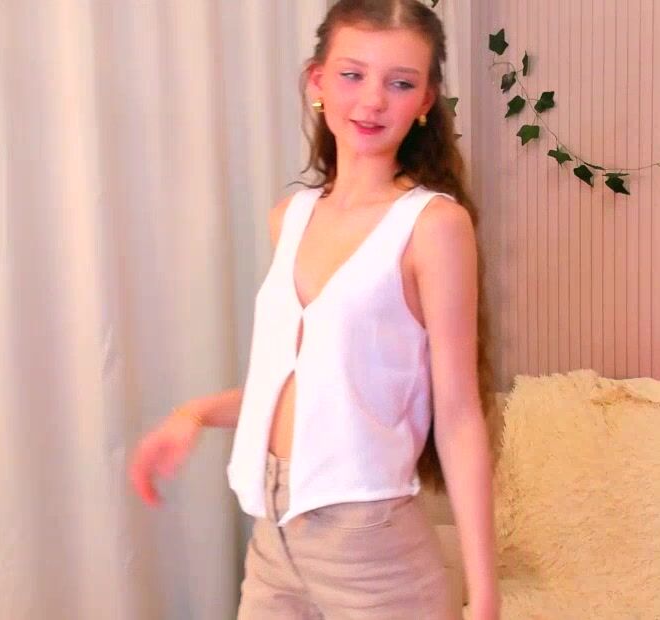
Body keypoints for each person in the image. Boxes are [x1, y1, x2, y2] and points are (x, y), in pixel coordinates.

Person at [128, 1, 499, 617]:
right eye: (352, 74)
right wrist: (193, 414)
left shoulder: (433, 226)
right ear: (317, 81)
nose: (372, 101)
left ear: (426, 101)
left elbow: (458, 415)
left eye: (400, 83)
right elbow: (308, 385)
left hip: (370, 551)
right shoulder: (291, 217)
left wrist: (484, 594)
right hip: (274, 538)